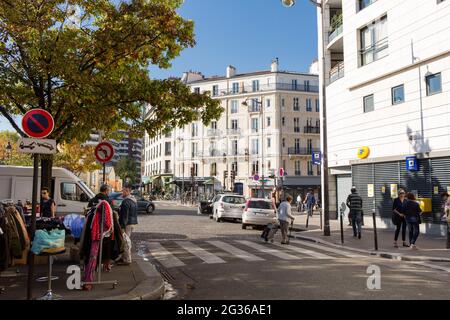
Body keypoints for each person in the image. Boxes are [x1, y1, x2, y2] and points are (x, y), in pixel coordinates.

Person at [118, 185, 138, 264]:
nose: (122, 192)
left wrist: (122, 226)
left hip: (127, 224)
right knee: (126, 240)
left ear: (127, 191)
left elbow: (124, 216)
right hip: (132, 222)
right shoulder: (133, 200)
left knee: (125, 241)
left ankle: (127, 259)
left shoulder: (126, 201)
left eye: (123, 191)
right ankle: (124, 258)